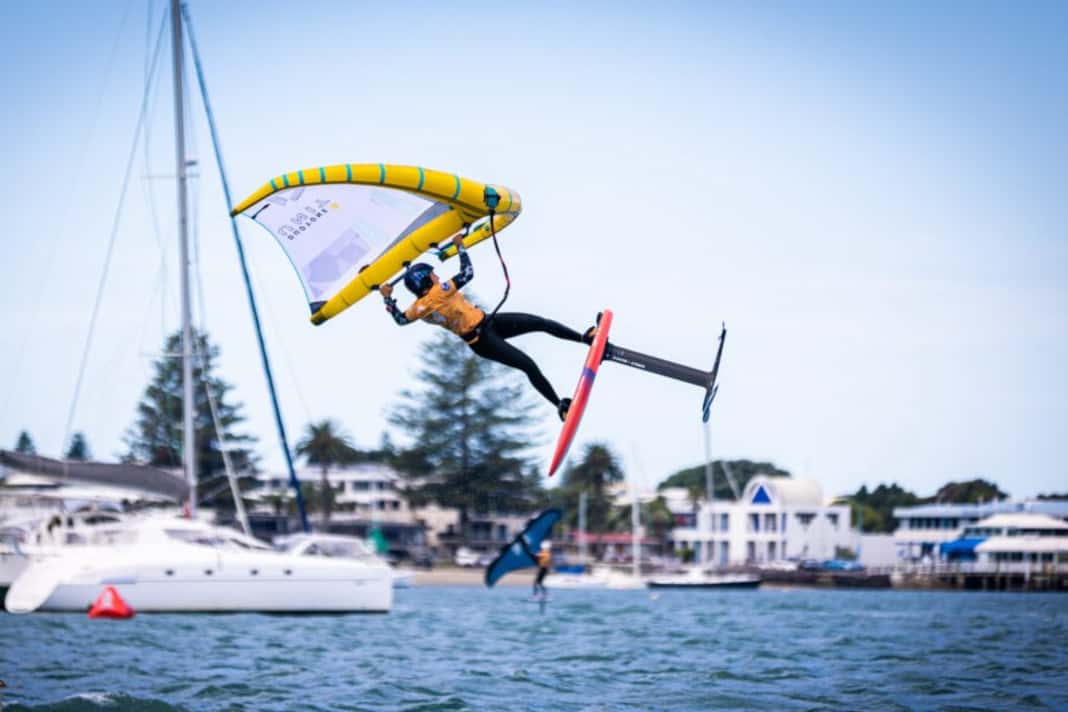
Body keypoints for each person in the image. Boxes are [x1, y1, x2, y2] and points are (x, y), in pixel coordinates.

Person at [379, 234, 593, 421]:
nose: (437, 276)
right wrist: (460, 246)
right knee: (530, 359)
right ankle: (561, 404)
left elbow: (399, 319)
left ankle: (584, 341)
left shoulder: (417, 308)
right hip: (484, 339)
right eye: (433, 274)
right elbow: (468, 273)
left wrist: (388, 298)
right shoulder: (438, 292)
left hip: (488, 325)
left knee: (539, 325)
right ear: (425, 280)